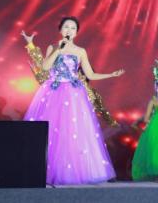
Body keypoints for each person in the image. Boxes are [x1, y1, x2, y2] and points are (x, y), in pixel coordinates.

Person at [22, 16, 124, 184]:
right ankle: (47, 171)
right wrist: (58, 50)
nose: (69, 30)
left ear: (76, 32)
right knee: (51, 131)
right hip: (53, 92)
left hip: (73, 93)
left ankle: (72, 173)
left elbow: (90, 74)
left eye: (72, 28)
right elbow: (45, 67)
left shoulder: (80, 51)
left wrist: (111, 74)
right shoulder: (53, 47)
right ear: (60, 30)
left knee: (73, 132)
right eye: (66, 27)